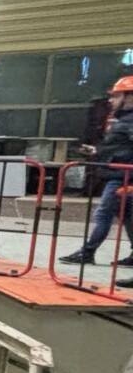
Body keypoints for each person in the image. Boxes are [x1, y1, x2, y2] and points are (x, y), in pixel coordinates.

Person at [60, 75, 133, 267]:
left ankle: (87, 252)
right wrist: (97, 151)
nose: (111, 100)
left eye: (116, 96)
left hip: (122, 176)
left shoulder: (130, 121)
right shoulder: (124, 121)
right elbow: (119, 148)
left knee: (104, 214)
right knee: (126, 216)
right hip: (120, 174)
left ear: (130, 97)